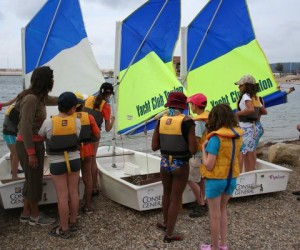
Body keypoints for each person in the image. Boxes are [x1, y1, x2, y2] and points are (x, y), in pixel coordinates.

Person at [152, 91, 197, 243]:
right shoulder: (187, 122)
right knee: (176, 198)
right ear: (183, 106)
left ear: (169, 105)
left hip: (164, 162)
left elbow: (154, 146)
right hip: (180, 164)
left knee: (166, 193)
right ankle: (169, 234)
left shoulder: (161, 121)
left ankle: (166, 223)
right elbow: (192, 150)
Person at [16, 66, 58, 225]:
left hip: (35, 143)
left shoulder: (39, 97)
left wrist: (74, 98)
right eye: (52, 78)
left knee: (31, 179)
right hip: (29, 144)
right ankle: (35, 216)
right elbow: (25, 127)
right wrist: (31, 153)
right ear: (45, 81)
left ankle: (25, 213)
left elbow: (54, 100)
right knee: (34, 181)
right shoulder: (31, 99)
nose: (53, 81)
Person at [39, 92, 82, 238]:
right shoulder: (77, 122)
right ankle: (74, 221)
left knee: (62, 196)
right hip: (74, 160)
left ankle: (64, 229)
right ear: (72, 108)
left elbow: (41, 137)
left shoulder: (49, 122)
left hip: (57, 162)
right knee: (74, 192)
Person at [200, 103, 243, 250]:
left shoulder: (215, 139)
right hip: (231, 179)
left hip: (216, 181)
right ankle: (223, 244)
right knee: (223, 210)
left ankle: (214, 247)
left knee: (214, 215)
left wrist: (203, 149)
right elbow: (239, 157)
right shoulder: (238, 136)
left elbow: (209, 165)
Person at [83, 82, 115, 196]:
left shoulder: (89, 98)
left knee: (84, 160)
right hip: (93, 136)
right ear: (109, 94)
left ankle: (85, 185)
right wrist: (113, 120)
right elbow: (107, 128)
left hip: (82, 134)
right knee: (92, 160)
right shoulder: (106, 106)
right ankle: (94, 187)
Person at [74, 92, 100, 213]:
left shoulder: (69, 118)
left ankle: (76, 207)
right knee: (87, 177)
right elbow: (97, 134)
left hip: (74, 151)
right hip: (88, 149)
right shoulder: (89, 117)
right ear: (83, 104)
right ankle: (88, 205)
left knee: (74, 180)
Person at [235, 74, 264, 172]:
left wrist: (238, 113)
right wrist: (256, 118)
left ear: (247, 86)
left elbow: (251, 109)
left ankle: (241, 176)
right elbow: (264, 111)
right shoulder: (255, 97)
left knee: (242, 152)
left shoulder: (246, 96)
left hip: (247, 127)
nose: (239, 87)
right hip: (254, 127)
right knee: (251, 151)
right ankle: (250, 172)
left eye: (240, 85)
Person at [186, 93, 209, 218]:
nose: (190, 106)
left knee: (190, 179)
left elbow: (196, 138)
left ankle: (201, 205)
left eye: (191, 104)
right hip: (204, 154)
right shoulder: (205, 118)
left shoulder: (199, 121)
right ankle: (201, 200)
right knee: (201, 180)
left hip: (197, 155)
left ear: (195, 106)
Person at [1, 96, 23, 179]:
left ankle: (14, 170)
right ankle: (14, 176)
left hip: (9, 134)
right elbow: (19, 124)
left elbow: (9, 102)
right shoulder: (16, 111)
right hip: (9, 135)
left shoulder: (13, 107)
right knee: (16, 155)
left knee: (12, 153)